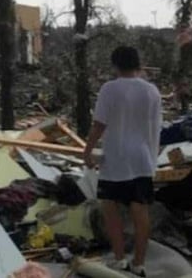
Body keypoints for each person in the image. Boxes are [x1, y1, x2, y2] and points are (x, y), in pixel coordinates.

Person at [83, 46, 162, 278]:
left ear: (115, 64)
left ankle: (119, 260)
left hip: (116, 159)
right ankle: (139, 264)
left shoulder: (110, 89)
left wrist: (87, 150)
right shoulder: (152, 91)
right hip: (143, 159)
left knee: (111, 210)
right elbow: (156, 126)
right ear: (138, 63)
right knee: (141, 212)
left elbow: (99, 124)